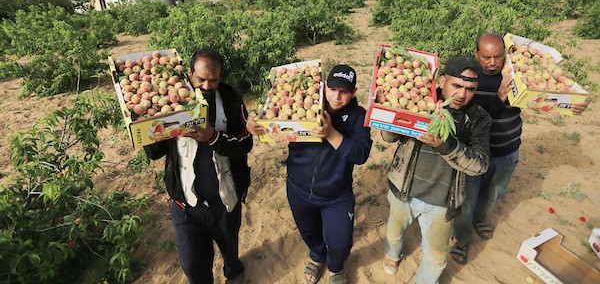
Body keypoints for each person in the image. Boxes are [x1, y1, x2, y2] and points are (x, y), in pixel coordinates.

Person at [450, 33, 589, 264]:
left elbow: (548, 98)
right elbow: (467, 112)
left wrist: (572, 103)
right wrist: (499, 98)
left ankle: (482, 219)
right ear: (477, 55)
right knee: (467, 198)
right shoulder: (470, 80)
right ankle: (461, 238)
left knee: (494, 191)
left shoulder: (517, 74)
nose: (493, 62)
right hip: (475, 153)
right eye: (486, 57)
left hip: (507, 149)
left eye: (497, 56)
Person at [247, 64, 372, 284]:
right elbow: (273, 120)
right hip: (299, 188)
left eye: (344, 91)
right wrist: (257, 123)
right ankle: (316, 257)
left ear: (353, 92)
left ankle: (335, 267)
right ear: (324, 85)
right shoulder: (307, 101)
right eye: (333, 89)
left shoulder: (358, 116)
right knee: (309, 232)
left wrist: (331, 133)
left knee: (340, 242)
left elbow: (360, 154)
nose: (337, 96)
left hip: (337, 195)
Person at [144, 49, 252, 284]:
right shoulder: (174, 101)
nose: (206, 85)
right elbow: (154, 153)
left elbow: (246, 142)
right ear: (189, 73)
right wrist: (152, 129)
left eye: (213, 80)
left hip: (225, 200)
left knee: (230, 249)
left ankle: (233, 271)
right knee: (193, 264)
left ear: (221, 76)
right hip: (186, 204)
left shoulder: (231, 98)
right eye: (200, 79)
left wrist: (213, 137)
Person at [381, 56, 491, 284]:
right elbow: (388, 136)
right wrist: (388, 109)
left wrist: (445, 145)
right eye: (457, 86)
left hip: (442, 201)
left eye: (470, 89)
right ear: (442, 81)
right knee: (395, 231)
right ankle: (392, 255)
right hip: (404, 189)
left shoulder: (477, 118)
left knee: (437, 256)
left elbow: (480, 165)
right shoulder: (418, 100)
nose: (462, 94)